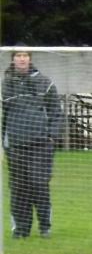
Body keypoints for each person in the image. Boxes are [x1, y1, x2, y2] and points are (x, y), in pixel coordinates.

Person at [2, 45, 64, 239]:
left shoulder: (44, 82)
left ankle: (45, 227)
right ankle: (20, 229)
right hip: (16, 144)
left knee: (39, 184)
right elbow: (3, 116)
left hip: (40, 144)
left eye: (25, 55)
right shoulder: (5, 85)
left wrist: (52, 135)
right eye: (18, 56)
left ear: (30, 59)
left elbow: (56, 112)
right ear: (13, 59)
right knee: (19, 187)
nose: (22, 59)